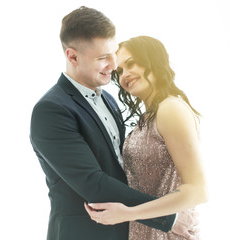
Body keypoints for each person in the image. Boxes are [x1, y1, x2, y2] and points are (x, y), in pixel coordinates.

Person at [30, 7, 196, 240]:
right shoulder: (52, 110)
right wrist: (169, 218)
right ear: (73, 56)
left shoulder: (109, 99)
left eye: (113, 53)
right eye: (102, 58)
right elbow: (93, 183)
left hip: (126, 229)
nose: (114, 64)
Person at [84, 36, 208, 239]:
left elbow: (198, 189)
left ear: (153, 60)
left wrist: (129, 213)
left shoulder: (171, 109)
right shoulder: (149, 116)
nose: (124, 76)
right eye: (120, 71)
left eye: (131, 64)